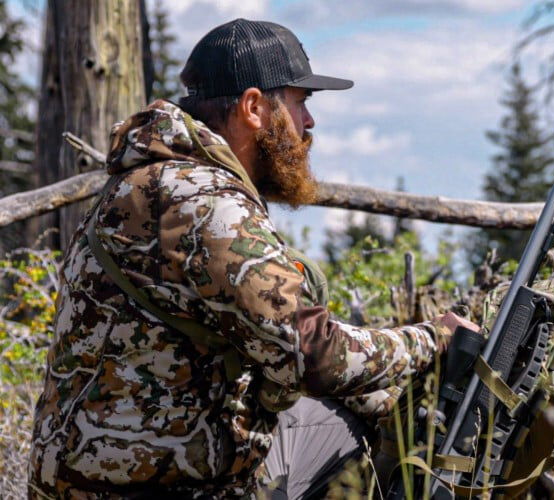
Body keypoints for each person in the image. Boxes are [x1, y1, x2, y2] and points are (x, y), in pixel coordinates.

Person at [26, 19, 476, 498]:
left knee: (347, 410)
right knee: (361, 436)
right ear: (254, 107)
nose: (309, 123)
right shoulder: (207, 203)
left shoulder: (145, 183)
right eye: (300, 102)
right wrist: (436, 338)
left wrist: (380, 396)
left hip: (86, 479)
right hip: (155, 487)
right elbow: (316, 358)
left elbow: (268, 344)